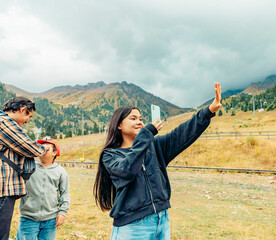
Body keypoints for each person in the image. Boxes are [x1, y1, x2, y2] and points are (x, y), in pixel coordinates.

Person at [94, 83, 222, 239]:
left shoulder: (154, 146)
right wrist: (146, 134)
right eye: (133, 118)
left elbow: (181, 134)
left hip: (161, 220)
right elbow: (127, 170)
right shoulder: (110, 155)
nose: (140, 122)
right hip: (133, 226)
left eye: (141, 119)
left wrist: (209, 111)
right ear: (119, 124)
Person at [0, 97, 49, 240]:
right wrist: (43, 148)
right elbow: (31, 148)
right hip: (3, 186)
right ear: (22, 110)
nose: (27, 121)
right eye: (29, 115)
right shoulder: (5, 123)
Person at [16, 139, 70, 240]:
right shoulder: (28, 167)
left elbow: (64, 193)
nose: (41, 151)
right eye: (40, 148)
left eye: (46, 149)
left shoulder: (60, 171)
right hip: (28, 218)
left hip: (50, 220)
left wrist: (62, 212)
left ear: (55, 153)